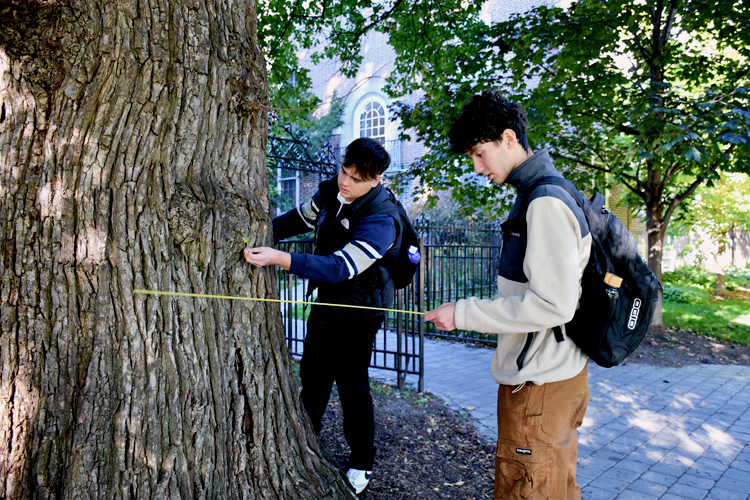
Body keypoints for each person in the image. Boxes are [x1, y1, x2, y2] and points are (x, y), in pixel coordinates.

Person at [425, 90, 591, 500]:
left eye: (481, 154)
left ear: (510, 138)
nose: (477, 167)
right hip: (551, 379)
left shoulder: (545, 202)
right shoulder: (544, 192)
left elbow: (553, 304)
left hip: (539, 389)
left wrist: (463, 313)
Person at [244, 137, 401, 495]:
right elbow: (300, 218)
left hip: (359, 311)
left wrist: (280, 259)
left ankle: (362, 461)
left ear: (376, 180)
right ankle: (305, 443)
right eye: (344, 172)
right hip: (328, 302)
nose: (346, 182)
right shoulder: (333, 192)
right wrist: (263, 231)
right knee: (313, 376)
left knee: (352, 387)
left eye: (356, 179)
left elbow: (339, 267)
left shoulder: (382, 219)